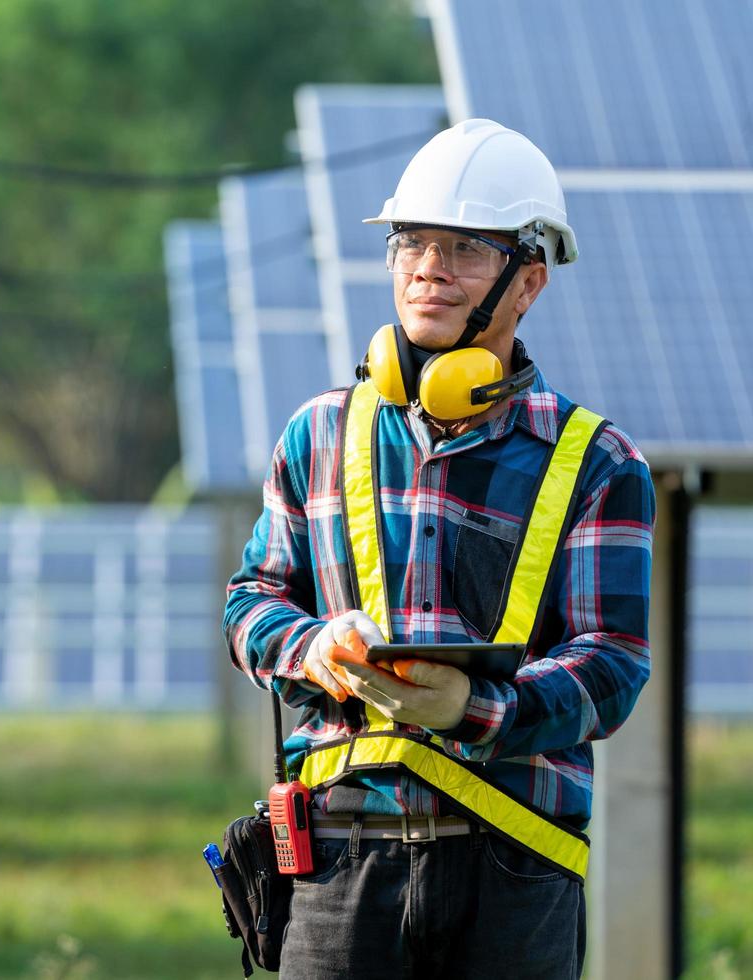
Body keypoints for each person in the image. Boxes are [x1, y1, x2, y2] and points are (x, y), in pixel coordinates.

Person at [222, 118, 654, 980]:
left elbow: (613, 668)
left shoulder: (596, 461)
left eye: (464, 249)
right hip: (343, 854)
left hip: (514, 858)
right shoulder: (319, 433)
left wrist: (471, 707)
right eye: (411, 242)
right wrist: (312, 646)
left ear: (528, 281)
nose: (428, 268)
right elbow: (250, 602)